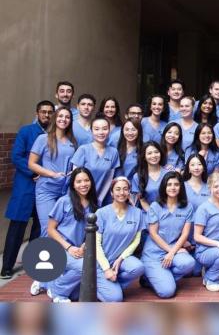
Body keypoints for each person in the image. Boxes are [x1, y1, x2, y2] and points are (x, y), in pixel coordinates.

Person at [1, 101, 54, 278]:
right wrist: (33, 173)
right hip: (26, 186)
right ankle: (7, 266)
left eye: (49, 112)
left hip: (46, 188)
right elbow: (16, 156)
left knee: (39, 229)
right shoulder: (26, 131)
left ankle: (33, 263)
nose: (47, 115)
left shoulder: (55, 134)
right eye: (43, 112)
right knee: (17, 228)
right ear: (37, 113)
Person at [42, 168, 97, 302]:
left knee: (76, 293)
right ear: (73, 184)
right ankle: (57, 292)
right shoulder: (64, 201)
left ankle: (45, 282)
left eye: (86, 180)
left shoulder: (94, 204)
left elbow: (90, 231)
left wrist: (84, 246)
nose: (83, 184)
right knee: (84, 267)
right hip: (60, 247)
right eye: (78, 181)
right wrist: (68, 247)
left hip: (79, 249)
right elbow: (50, 230)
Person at [142, 171, 196, 299]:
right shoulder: (155, 206)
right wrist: (172, 252)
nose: (172, 187)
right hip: (154, 253)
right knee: (167, 292)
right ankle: (150, 277)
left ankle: (162, 276)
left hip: (172, 249)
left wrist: (172, 252)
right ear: (164, 187)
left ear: (181, 187)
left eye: (176, 184)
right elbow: (153, 234)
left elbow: (185, 234)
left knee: (189, 263)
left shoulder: (187, 207)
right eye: (169, 184)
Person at [95, 177, 145, 302]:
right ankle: (98, 285)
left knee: (138, 267)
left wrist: (121, 258)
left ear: (129, 192)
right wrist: (106, 269)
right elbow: (95, 244)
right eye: (117, 189)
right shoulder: (101, 213)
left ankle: (113, 284)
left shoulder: (137, 213)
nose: (121, 193)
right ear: (111, 192)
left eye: (125, 189)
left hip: (121, 260)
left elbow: (136, 240)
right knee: (115, 299)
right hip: (100, 263)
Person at [27, 106, 74, 241]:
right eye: (60, 116)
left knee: (61, 229)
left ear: (70, 121)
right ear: (55, 118)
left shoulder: (72, 143)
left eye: (67, 117)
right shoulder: (43, 138)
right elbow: (31, 164)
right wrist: (52, 174)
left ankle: (59, 261)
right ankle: (42, 262)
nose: (63, 119)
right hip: (46, 190)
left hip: (65, 191)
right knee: (48, 229)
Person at [70, 115, 119, 206]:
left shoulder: (113, 152)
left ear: (109, 130)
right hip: (79, 198)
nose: (101, 132)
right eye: (96, 129)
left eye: (104, 129)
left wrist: (99, 199)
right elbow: (75, 179)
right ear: (91, 131)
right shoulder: (83, 150)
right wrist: (83, 200)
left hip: (101, 199)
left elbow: (109, 180)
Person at [131, 142, 169, 212]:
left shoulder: (169, 173)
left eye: (156, 152)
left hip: (168, 214)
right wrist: (153, 215)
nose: (154, 155)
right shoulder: (137, 177)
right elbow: (142, 201)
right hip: (148, 214)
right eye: (149, 153)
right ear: (144, 157)